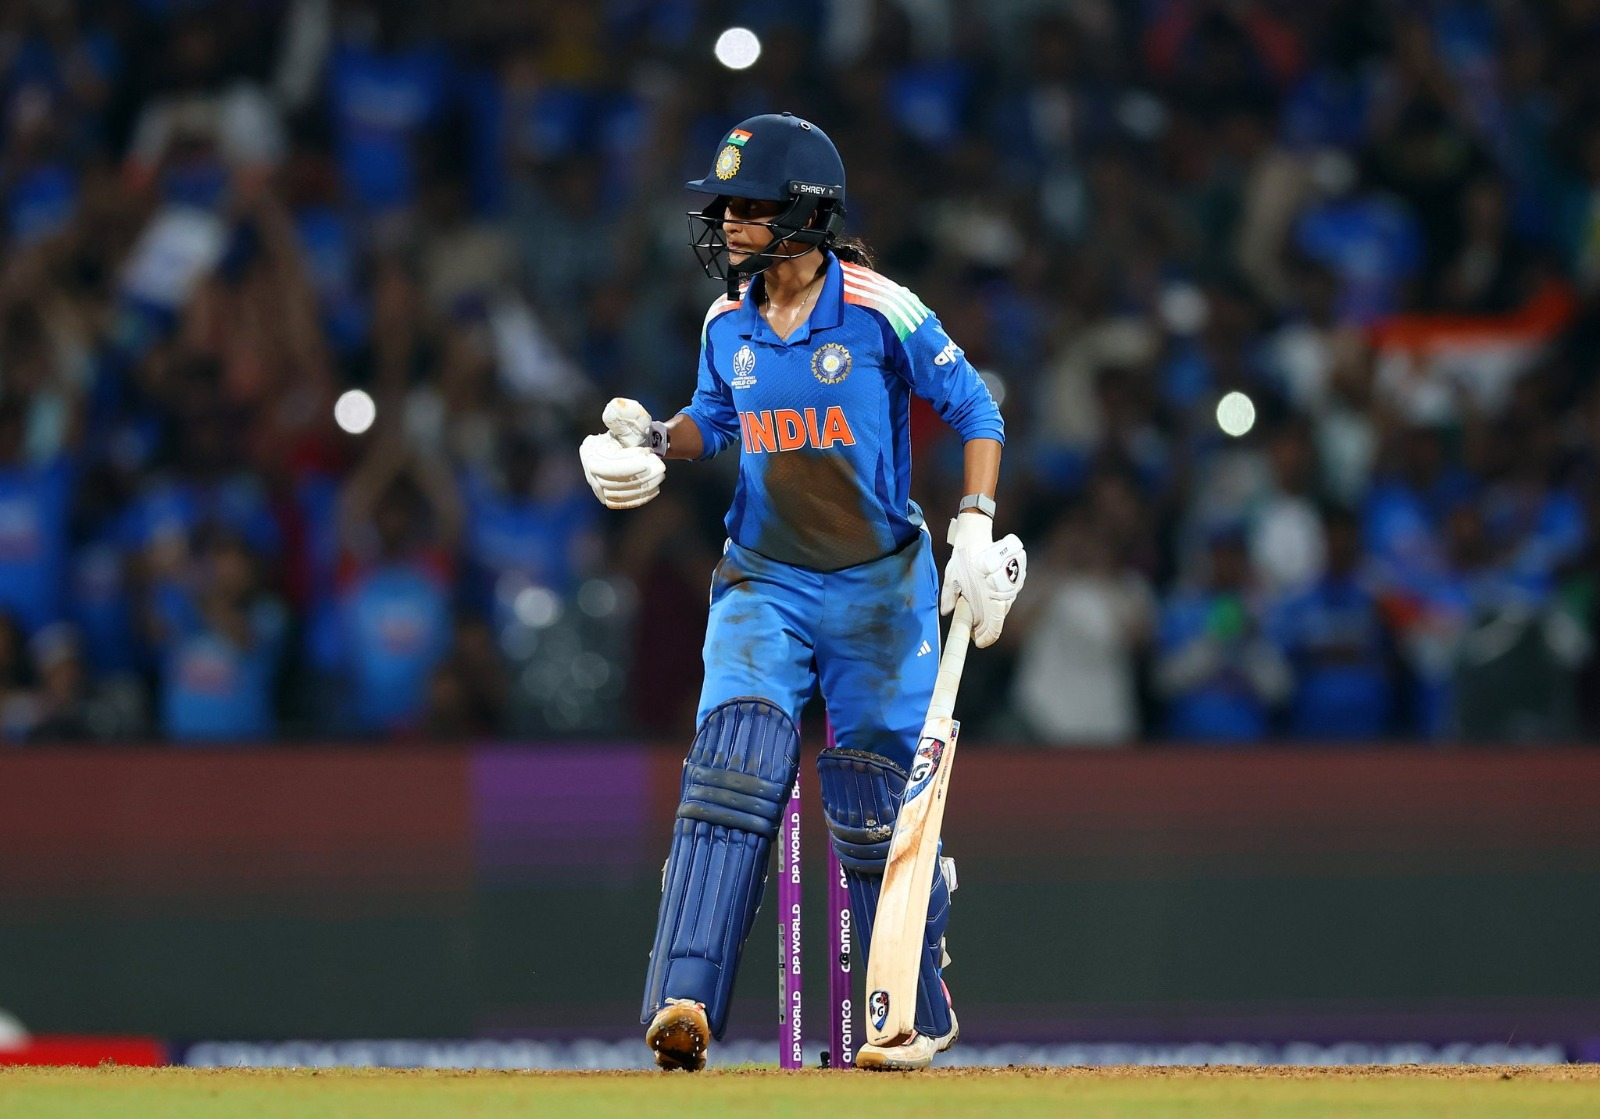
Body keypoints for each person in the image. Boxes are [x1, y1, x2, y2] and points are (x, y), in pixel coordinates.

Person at [578, 114, 1027, 1071]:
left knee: (871, 800)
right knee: (733, 766)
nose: (728, 224)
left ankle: (909, 1008)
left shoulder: (879, 308)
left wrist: (975, 523)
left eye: (749, 206)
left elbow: (976, 408)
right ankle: (685, 1000)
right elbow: (713, 419)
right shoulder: (725, 320)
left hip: (880, 587)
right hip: (764, 577)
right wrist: (654, 439)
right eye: (724, 207)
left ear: (808, 213)